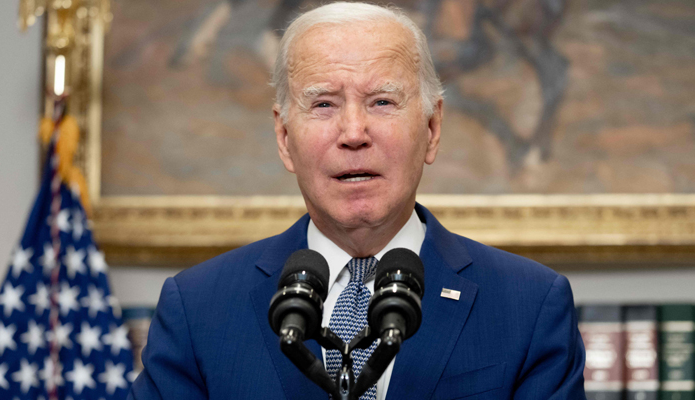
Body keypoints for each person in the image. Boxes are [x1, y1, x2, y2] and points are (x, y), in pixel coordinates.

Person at [128, 2, 586, 399]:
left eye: (382, 102)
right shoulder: (197, 308)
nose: (353, 133)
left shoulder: (529, 306)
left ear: (432, 129)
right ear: (285, 138)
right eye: (323, 104)